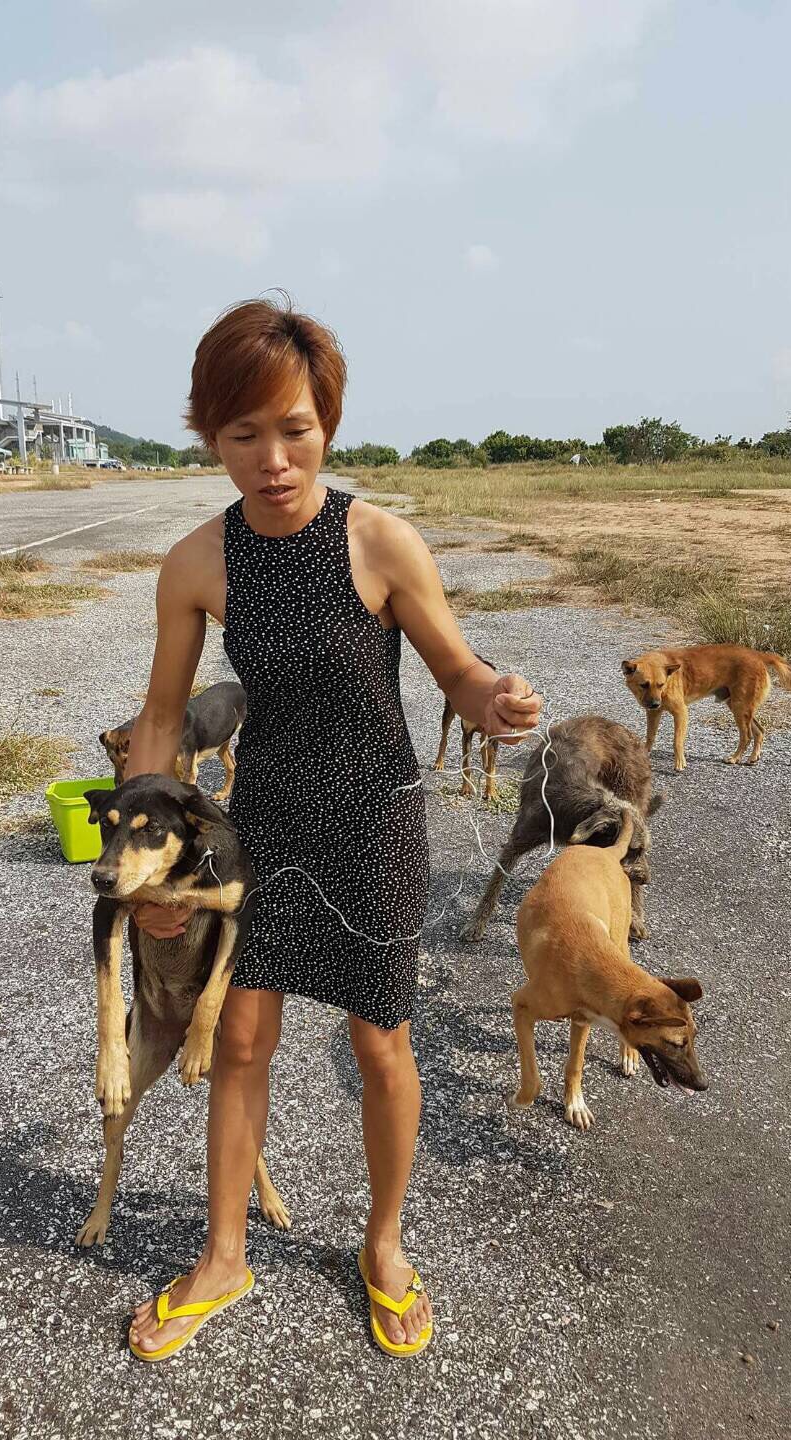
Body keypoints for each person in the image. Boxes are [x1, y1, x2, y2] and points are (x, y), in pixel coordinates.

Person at [122, 295, 542, 1360]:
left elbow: (456, 668)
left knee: (380, 1040)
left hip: (375, 815)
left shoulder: (377, 539)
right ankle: (224, 1254)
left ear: (329, 422)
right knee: (240, 1039)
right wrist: (154, 875)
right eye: (243, 434)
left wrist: (494, 700)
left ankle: (385, 1246)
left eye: (294, 429)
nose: (272, 458)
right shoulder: (196, 563)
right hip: (260, 821)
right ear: (210, 436)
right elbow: (165, 720)